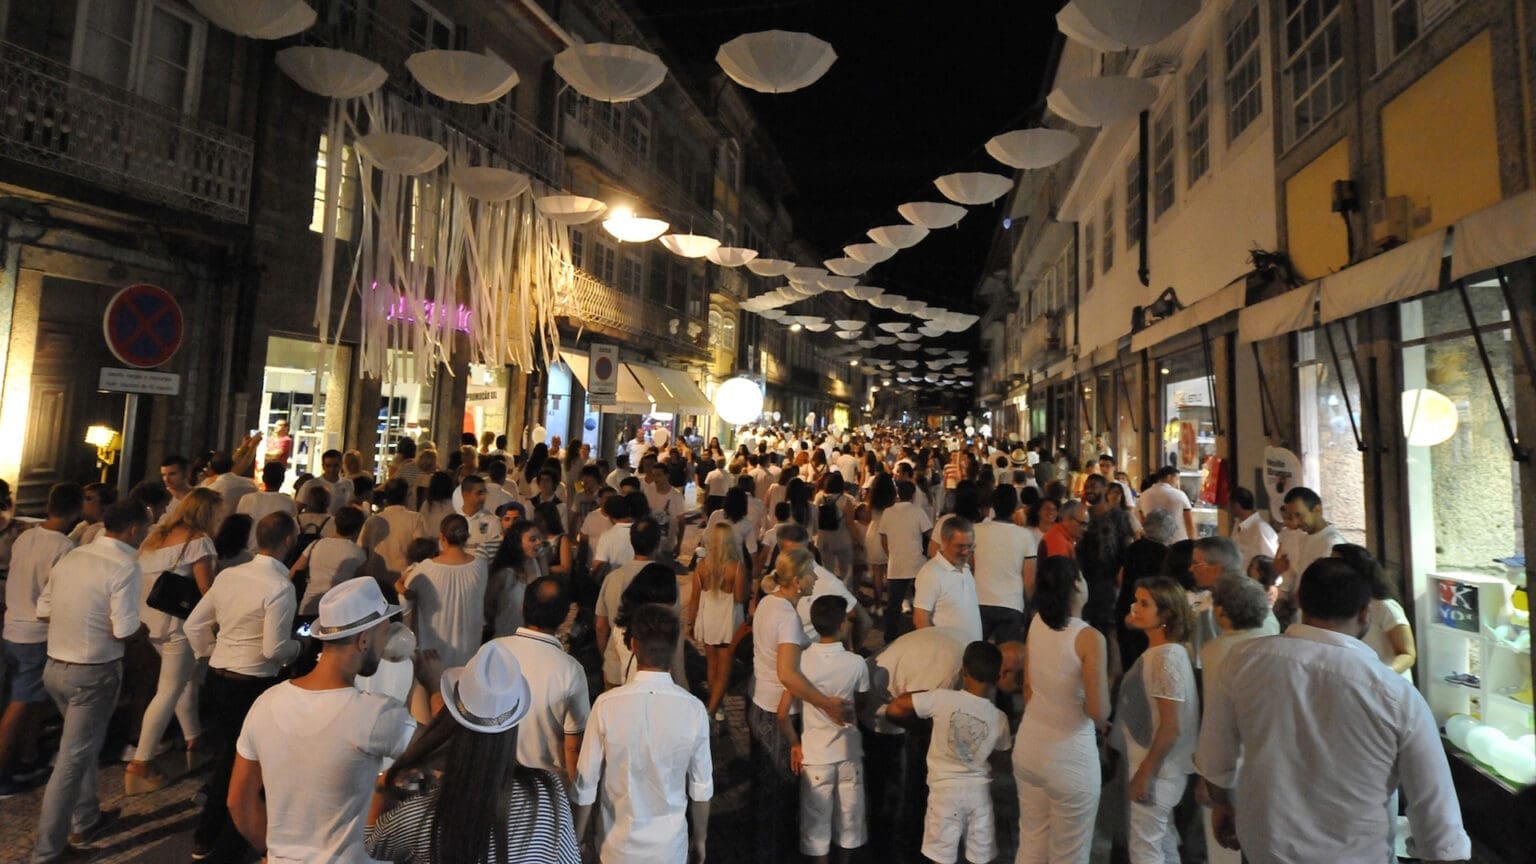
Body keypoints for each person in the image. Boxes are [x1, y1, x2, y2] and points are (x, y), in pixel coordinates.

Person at [1195, 559, 1469, 864]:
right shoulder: (1396, 694)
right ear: (1365, 613)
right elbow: (1435, 811)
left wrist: (1224, 805)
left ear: (1299, 600)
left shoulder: (1243, 661)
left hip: (1265, 849)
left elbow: (1215, 758)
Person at [228, 578, 419, 862]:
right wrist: (436, 682)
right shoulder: (374, 714)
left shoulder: (266, 703)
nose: (386, 641)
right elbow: (444, 749)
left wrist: (277, 854)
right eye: (384, 631)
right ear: (363, 639)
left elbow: (238, 801)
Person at [366, 638, 577, 863]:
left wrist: (386, 781)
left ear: (452, 720)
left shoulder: (419, 815)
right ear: (513, 724)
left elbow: (372, 843)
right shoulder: (547, 793)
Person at [29, 501, 152, 863]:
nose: (145, 534)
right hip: (93, 672)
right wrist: (141, 632)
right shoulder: (126, 566)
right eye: (144, 528)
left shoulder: (73, 557)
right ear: (132, 529)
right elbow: (125, 628)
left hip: (55, 667)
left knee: (80, 749)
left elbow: (44, 609)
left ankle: (86, 818)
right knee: (70, 760)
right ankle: (47, 851)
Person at [184, 511, 303, 862]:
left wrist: (213, 652)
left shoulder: (230, 576)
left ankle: (210, 835)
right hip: (251, 684)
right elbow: (274, 649)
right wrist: (299, 646)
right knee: (244, 765)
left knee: (230, 758)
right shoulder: (280, 587)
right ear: (288, 542)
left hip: (218, 678)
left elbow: (194, 625)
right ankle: (221, 841)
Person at [574, 603, 712, 864]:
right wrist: (700, 840)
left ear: (633, 645)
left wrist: (577, 839)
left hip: (615, 845)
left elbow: (586, 784)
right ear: (674, 649)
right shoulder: (693, 710)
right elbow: (701, 787)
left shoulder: (606, 705)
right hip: (669, 847)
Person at [750, 548, 854, 864]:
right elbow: (787, 674)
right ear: (797, 581)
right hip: (777, 711)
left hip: (760, 703)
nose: (815, 578)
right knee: (780, 794)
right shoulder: (787, 618)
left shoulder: (770, 602)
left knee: (766, 792)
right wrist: (826, 705)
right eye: (811, 573)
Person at [124, 488, 221, 795]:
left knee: (183, 682)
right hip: (179, 624)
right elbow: (207, 590)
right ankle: (141, 761)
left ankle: (194, 738)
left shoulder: (154, 538)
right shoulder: (199, 541)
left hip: (150, 621)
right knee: (168, 691)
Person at [1013, 556, 1109, 864]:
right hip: (1071, 757)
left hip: (1029, 745)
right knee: (1069, 853)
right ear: (1077, 585)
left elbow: (1028, 689)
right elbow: (1098, 711)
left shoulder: (1037, 622)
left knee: (1031, 842)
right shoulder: (1089, 638)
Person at [885, 641, 1012, 864]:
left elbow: (897, 706)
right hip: (978, 794)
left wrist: (920, 726)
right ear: (998, 675)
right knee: (979, 854)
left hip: (944, 793)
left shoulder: (941, 699)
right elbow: (1000, 754)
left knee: (941, 854)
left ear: (964, 671)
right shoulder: (999, 718)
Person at [0, 483, 81, 797]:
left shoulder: (25, 536)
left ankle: (24, 758)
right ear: (75, 511)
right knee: (19, 706)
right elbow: (56, 595)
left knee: (26, 701)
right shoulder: (64, 547)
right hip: (36, 633)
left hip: (11, 628)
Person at [778, 596, 870, 864]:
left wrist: (795, 744)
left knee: (816, 832)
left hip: (816, 757)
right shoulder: (856, 663)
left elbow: (782, 714)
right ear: (843, 625)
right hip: (849, 754)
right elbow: (860, 705)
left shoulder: (801, 663)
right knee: (850, 828)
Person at [1115, 576, 1199, 864]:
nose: (1135, 607)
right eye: (1136, 600)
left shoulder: (1166, 658)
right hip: (1154, 767)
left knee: (1144, 849)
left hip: (1158, 772)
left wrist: (1145, 773)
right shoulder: (1161, 652)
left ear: (1166, 614)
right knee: (1160, 843)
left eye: (1144, 603)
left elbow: (1170, 725)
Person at [492, 577, 589, 784]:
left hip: (494, 777)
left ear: (522, 608)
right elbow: (574, 746)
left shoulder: (492, 651)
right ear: (564, 617)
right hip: (545, 785)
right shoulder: (571, 670)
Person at [398, 514, 487, 670]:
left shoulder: (425, 569)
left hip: (432, 657)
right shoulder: (481, 566)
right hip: (469, 655)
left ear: (442, 537)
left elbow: (404, 603)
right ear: (467, 536)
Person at [689, 522, 746, 722]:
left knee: (711, 664)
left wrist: (690, 621)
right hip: (728, 619)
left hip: (708, 617)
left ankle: (716, 706)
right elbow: (740, 597)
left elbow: (695, 597)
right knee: (725, 666)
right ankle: (713, 709)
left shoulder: (701, 567)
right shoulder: (736, 567)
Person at [595, 518, 662, 688]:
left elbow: (601, 626)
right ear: (658, 543)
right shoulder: (664, 579)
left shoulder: (613, 577)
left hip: (615, 664)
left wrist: (605, 656)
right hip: (651, 668)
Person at [1116, 509, 1174, 674]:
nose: (1174, 531)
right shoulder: (1165, 554)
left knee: (1129, 662)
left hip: (1126, 606)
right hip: (1149, 613)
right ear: (1164, 529)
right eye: (1172, 527)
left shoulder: (1133, 548)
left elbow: (1121, 577)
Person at [972, 485, 1030, 643]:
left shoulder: (975, 530)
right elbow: (1029, 578)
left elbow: (969, 567)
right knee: (1007, 660)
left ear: (993, 505)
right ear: (1015, 505)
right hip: (1012, 603)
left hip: (979, 600)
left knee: (977, 657)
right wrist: (1029, 608)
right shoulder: (1026, 536)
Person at [878, 479, 933, 642]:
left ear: (898, 494)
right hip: (917, 562)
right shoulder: (918, 511)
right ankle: (922, 632)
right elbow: (929, 533)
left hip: (896, 564)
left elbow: (883, 537)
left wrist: (891, 553)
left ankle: (890, 636)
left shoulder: (888, 512)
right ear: (913, 494)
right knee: (922, 601)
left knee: (893, 604)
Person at [913, 517, 982, 642]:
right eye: (960, 546)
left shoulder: (965, 568)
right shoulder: (931, 573)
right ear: (944, 542)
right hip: (947, 654)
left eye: (970, 546)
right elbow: (920, 618)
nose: (966, 552)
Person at [293, 506, 369, 617]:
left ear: (335, 523)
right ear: (359, 529)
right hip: (337, 612)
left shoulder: (316, 545)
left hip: (309, 607)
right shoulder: (358, 554)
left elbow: (294, 571)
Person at [1273, 486, 1346, 600]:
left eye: (1299, 515)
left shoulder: (1333, 545)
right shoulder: (1304, 538)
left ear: (1317, 510)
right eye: (1291, 517)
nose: (1295, 522)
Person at [238, 462, 298, 549]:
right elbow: (293, 534)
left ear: (263, 478)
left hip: (246, 552)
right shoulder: (288, 502)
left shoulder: (246, 499)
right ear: (282, 479)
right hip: (273, 554)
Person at [814, 472, 857, 583]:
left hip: (823, 539)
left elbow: (815, 517)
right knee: (846, 574)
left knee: (827, 572)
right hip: (842, 539)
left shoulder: (819, 497)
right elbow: (850, 522)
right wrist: (855, 539)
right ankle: (846, 596)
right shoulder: (846, 500)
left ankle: (828, 595)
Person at [1137, 466, 1194, 543]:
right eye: (1177, 479)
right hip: (1178, 542)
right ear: (1169, 477)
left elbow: (1142, 521)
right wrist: (1193, 542)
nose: (1177, 482)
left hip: (1153, 543)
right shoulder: (1180, 495)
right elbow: (1189, 523)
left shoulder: (1143, 495)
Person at [1227, 487, 1277, 569]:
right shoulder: (1238, 523)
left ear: (1236, 506)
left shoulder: (1261, 529)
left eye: (1228, 503)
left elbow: (1270, 563)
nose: (1227, 507)